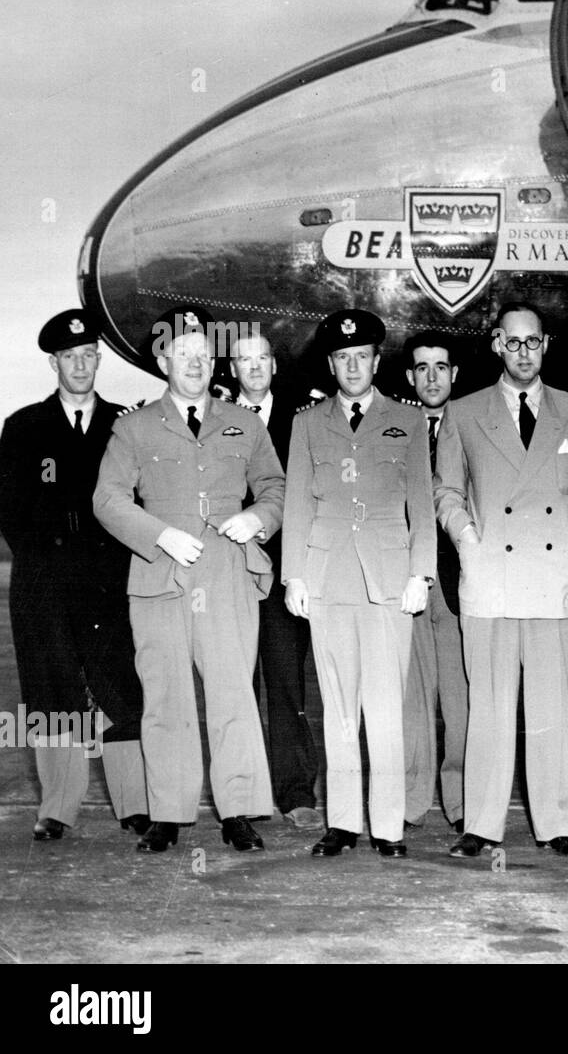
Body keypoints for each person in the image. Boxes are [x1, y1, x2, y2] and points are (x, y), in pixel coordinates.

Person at [93, 305, 282, 853]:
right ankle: (169, 814)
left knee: (232, 694)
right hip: (160, 577)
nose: (196, 362)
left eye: (203, 353)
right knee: (165, 696)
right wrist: (158, 535)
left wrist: (257, 518)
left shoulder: (243, 422)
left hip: (227, 573)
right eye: (184, 352)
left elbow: (275, 486)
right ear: (163, 359)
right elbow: (107, 499)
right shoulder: (132, 427)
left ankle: (239, 810)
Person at [435, 301, 568, 858]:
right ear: (496, 345)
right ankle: (480, 825)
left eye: (533, 342)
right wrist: (467, 541)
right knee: (490, 708)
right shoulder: (464, 413)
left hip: (554, 579)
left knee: (553, 708)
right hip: (491, 580)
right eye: (513, 341)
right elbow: (446, 492)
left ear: (546, 345)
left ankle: (559, 825)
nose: (524, 352)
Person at [282, 309, 435, 859]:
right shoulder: (306, 423)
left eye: (361, 356)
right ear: (331, 363)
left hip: (389, 580)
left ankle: (388, 826)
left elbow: (421, 502)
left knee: (386, 706)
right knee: (339, 704)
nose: (352, 365)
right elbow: (297, 499)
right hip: (326, 578)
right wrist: (293, 576)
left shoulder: (407, 421)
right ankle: (344, 822)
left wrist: (422, 573)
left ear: (376, 361)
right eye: (342, 357)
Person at [0, 309, 148, 841]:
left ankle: (134, 804)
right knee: (51, 687)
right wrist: (47, 559)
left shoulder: (125, 423)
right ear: (53, 362)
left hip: (111, 579)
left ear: (98, 359)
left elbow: (137, 499)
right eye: (70, 357)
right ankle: (57, 809)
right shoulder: (22, 427)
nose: (81, 365)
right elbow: (10, 509)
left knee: (121, 687)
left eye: (89, 355)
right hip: (44, 581)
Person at [227, 331, 322, 832]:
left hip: (286, 573)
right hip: (232, 572)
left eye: (262, 358)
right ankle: (240, 795)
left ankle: (295, 792)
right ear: (233, 369)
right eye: (244, 360)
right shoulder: (216, 417)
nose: (255, 367)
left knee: (287, 685)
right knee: (236, 686)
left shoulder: (305, 419)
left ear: (274, 366)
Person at [402, 331, 469, 835]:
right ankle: (410, 798)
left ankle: (464, 799)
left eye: (440, 367)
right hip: (405, 580)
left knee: (461, 696)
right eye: (422, 368)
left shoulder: (473, 424)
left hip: (460, 580)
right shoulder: (395, 426)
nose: (432, 377)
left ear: (455, 374)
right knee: (410, 695)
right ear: (409, 377)